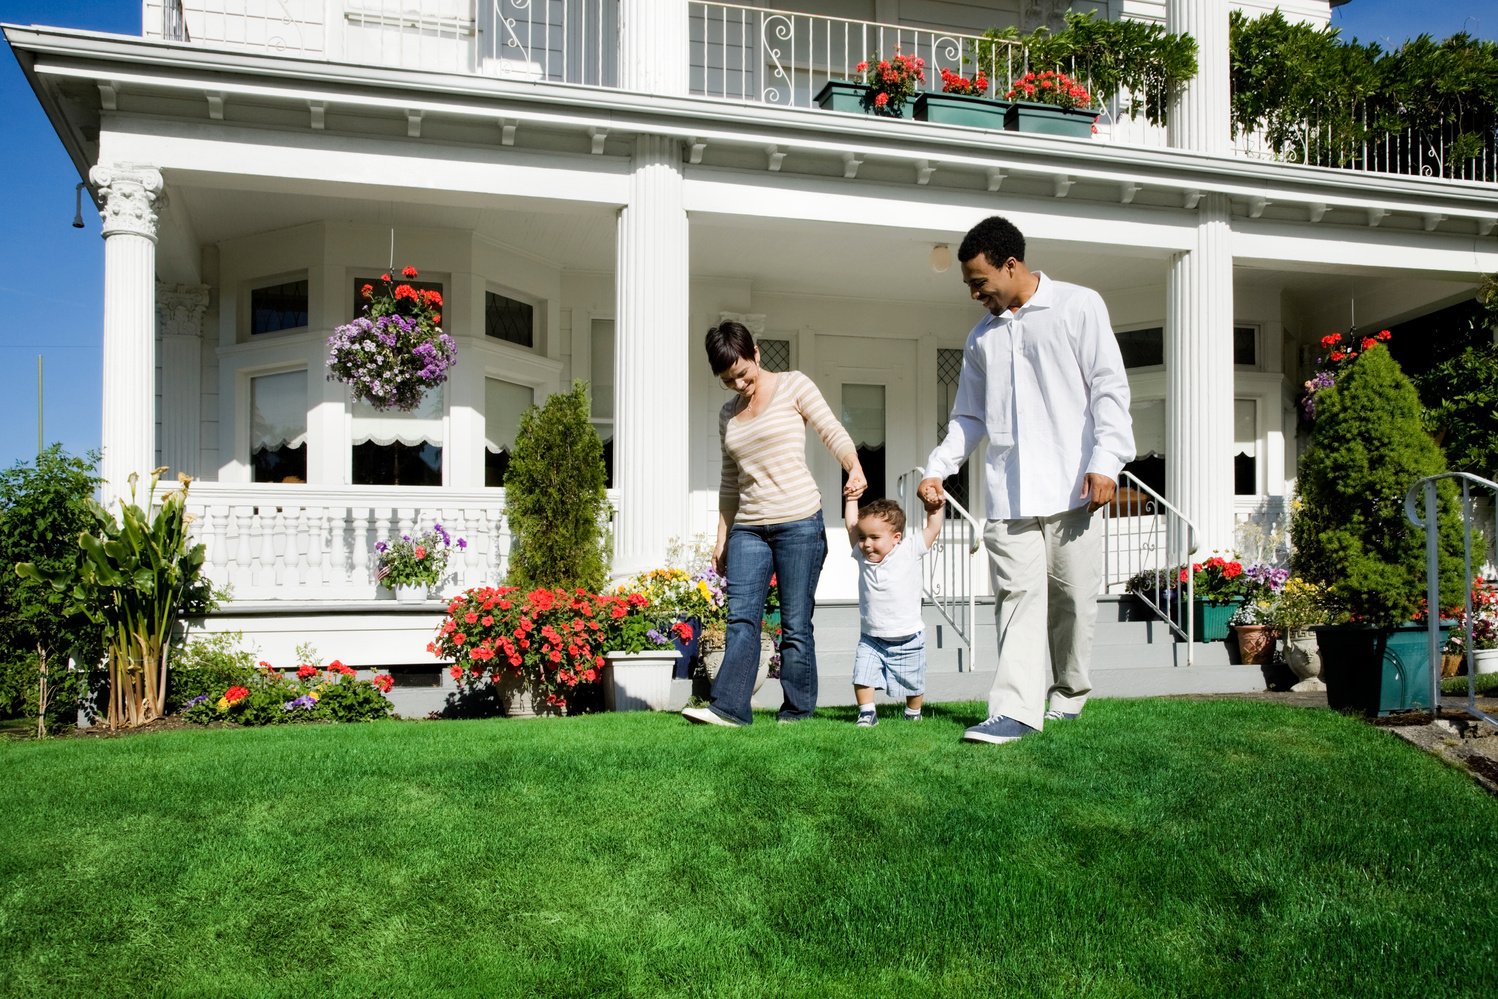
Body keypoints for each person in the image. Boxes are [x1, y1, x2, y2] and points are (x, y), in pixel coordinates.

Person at [918, 215, 1134, 745]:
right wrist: (939, 466)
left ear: (1010, 265)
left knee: (1074, 602)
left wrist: (1107, 461)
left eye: (978, 281)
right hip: (1009, 494)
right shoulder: (980, 339)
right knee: (1016, 599)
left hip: (1073, 489)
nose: (974, 294)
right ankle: (1013, 709)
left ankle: (1069, 695)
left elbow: (1109, 388)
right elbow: (968, 418)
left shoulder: (1079, 306)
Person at [682, 321, 867, 727]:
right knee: (741, 618)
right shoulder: (727, 415)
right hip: (749, 527)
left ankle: (797, 712)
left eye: (743, 374)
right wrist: (722, 538)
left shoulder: (793, 385)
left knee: (795, 622)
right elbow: (730, 481)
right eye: (728, 380)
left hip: (799, 521)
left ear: (757, 354)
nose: (739, 385)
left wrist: (852, 466)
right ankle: (730, 708)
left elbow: (830, 429)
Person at [844, 494, 944, 726]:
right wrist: (851, 499)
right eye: (863, 537)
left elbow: (933, 528)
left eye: (874, 537)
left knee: (913, 681)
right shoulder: (862, 556)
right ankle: (867, 712)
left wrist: (935, 507)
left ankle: (913, 711)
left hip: (908, 636)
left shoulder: (909, 549)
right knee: (862, 674)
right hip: (872, 637)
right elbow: (851, 525)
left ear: (896, 537)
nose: (866, 543)